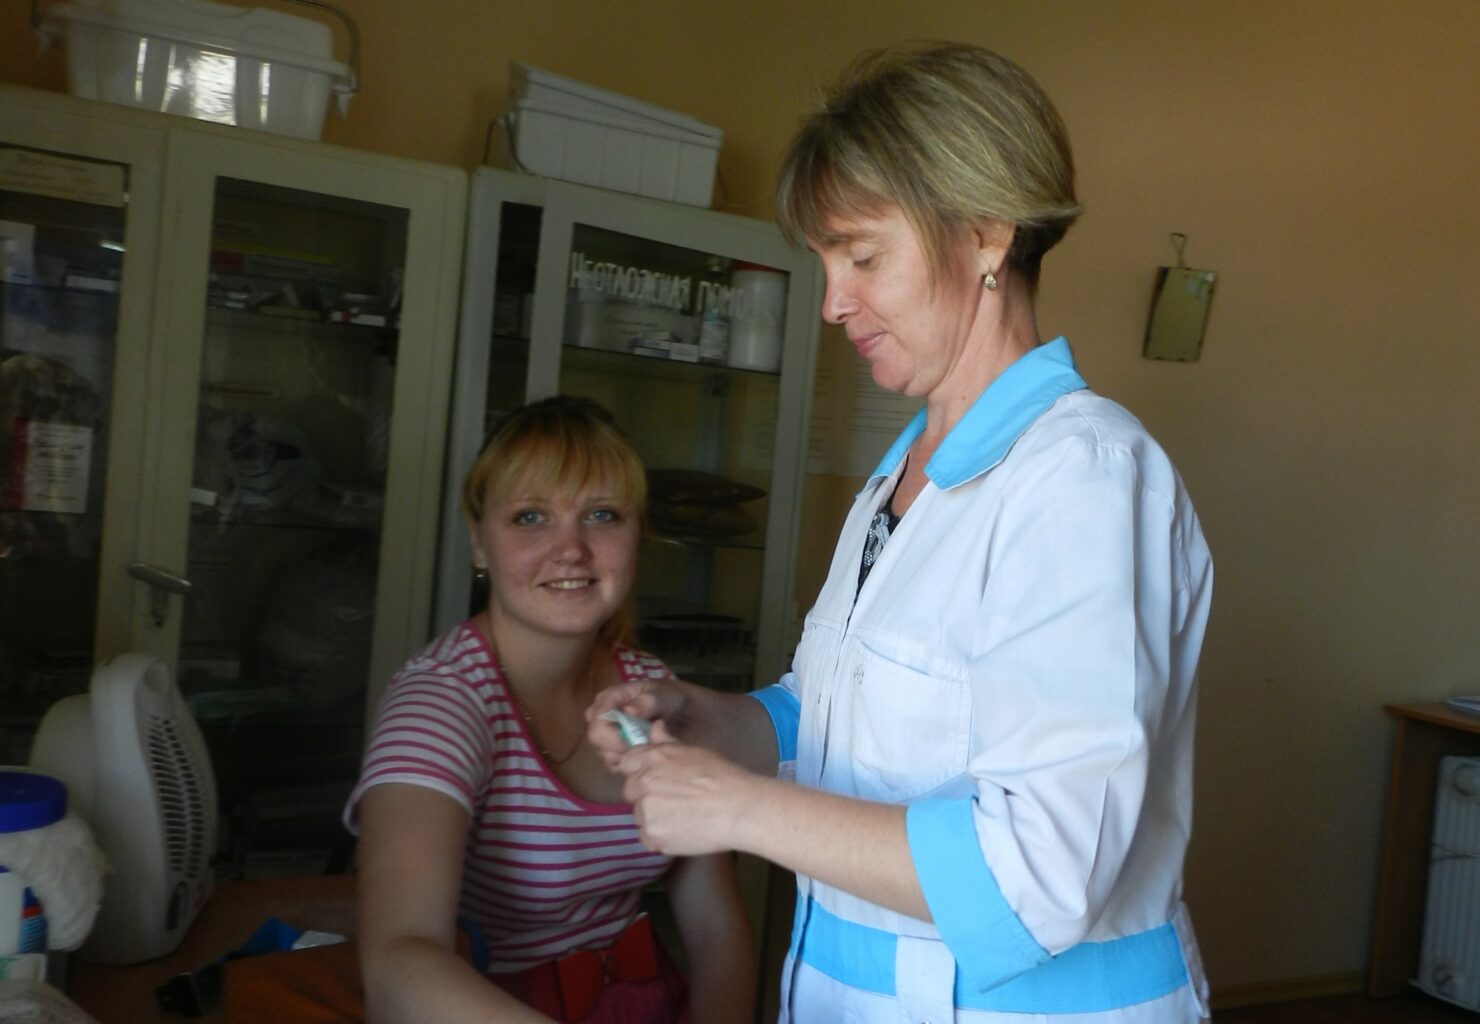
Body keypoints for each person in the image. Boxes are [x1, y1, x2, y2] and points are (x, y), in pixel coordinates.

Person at [588, 42, 1214, 1024]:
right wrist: (709, 723)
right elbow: (847, 718)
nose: (832, 302)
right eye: (825, 263)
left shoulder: (1082, 477)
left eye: (863, 256)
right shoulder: (903, 473)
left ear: (986, 235)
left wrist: (734, 808)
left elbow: (1039, 872)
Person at [346, 395, 756, 1023]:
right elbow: (400, 962)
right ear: (478, 542)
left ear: (637, 535)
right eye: (531, 517)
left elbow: (715, 930)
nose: (571, 550)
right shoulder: (440, 700)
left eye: (601, 515)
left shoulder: (650, 689)